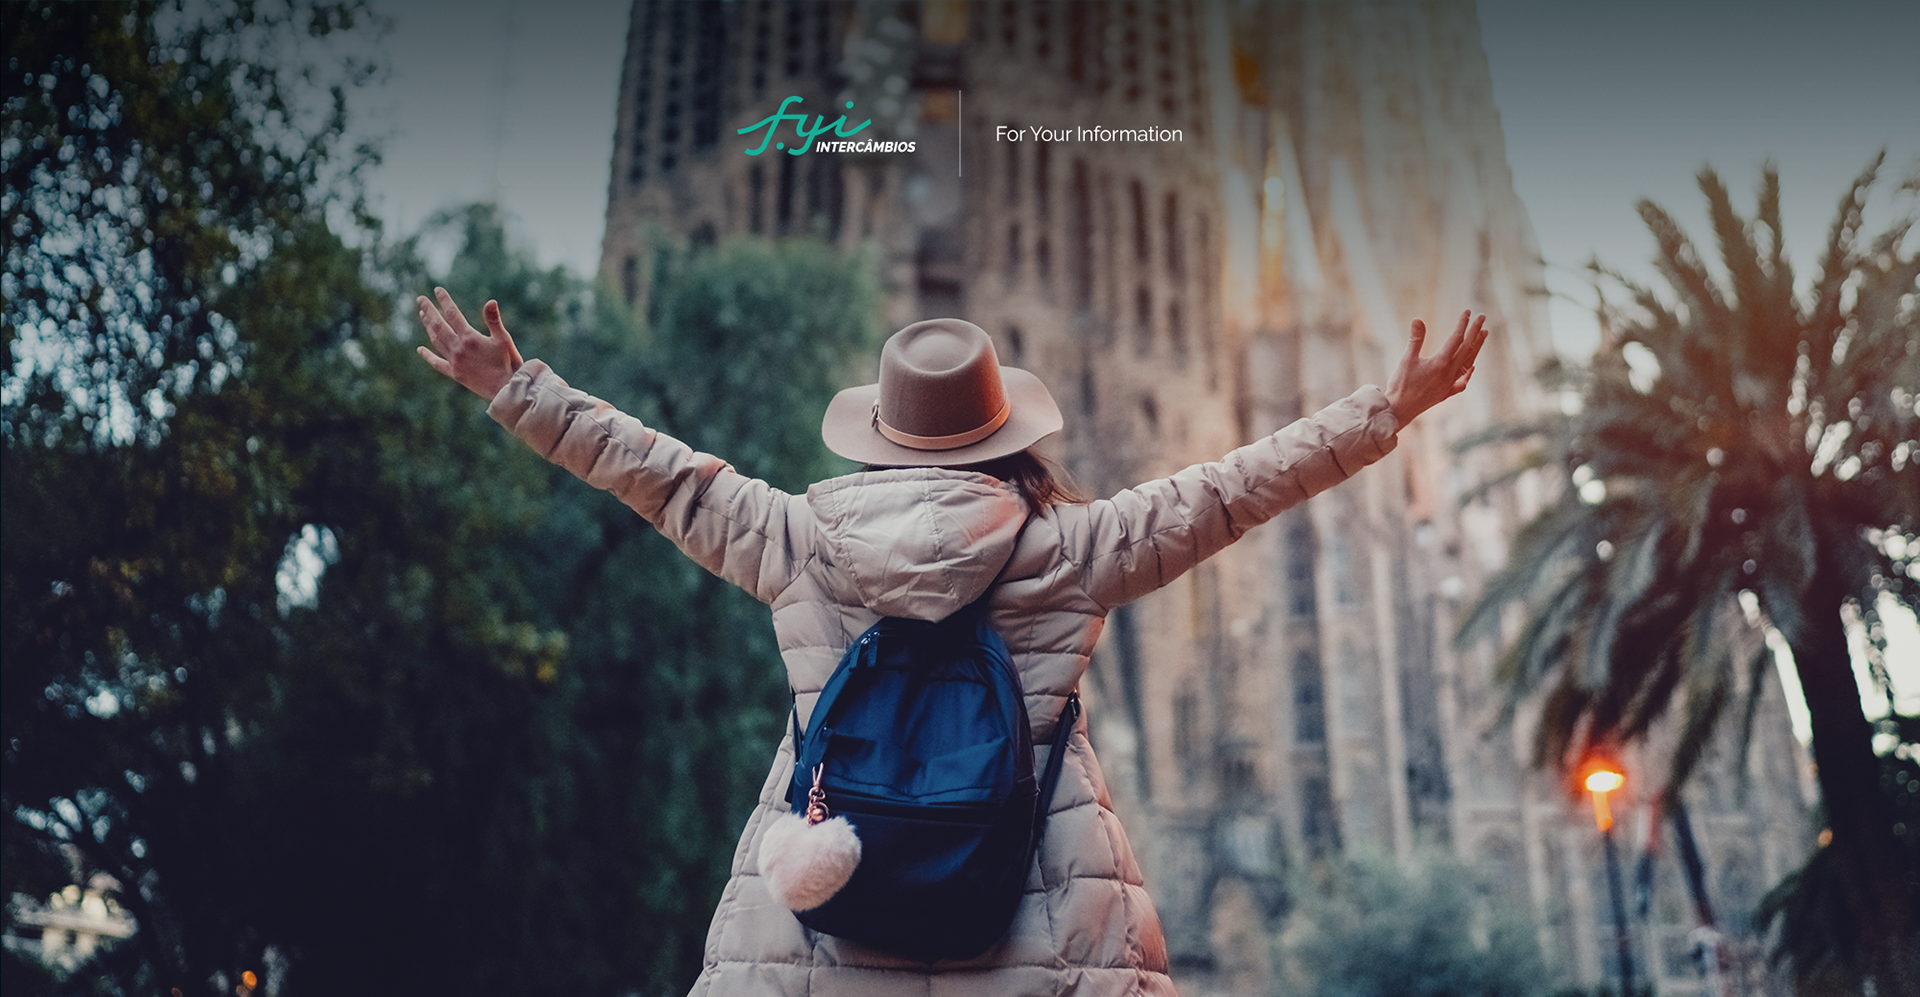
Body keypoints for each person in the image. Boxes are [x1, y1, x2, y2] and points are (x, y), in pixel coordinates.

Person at [416, 288, 1488, 996]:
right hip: (1037, 927)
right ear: (1007, 440)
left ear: (880, 443)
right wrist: (1386, 408)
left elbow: (660, 475)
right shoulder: (1073, 549)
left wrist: (517, 387)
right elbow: (1235, 488)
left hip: (823, 927)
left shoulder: (797, 541)